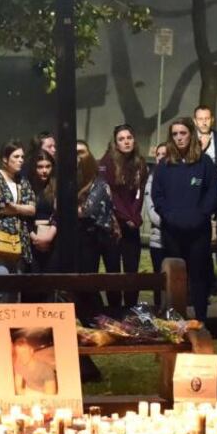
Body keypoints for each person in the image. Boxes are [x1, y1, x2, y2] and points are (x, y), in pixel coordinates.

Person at [151, 117, 217, 322]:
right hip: (172, 232)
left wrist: (201, 215)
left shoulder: (204, 162)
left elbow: (213, 193)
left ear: (191, 134)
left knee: (199, 277)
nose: (179, 138)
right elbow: (158, 196)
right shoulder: (164, 165)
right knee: (175, 278)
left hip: (199, 231)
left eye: (183, 133)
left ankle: (200, 320)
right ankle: (175, 320)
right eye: (175, 134)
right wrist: (171, 218)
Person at [98, 124, 148, 307]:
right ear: (115, 143)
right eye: (121, 139)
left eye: (129, 138)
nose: (126, 142)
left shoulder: (140, 163)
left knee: (132, 270)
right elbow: (111, 195)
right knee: (113, 269)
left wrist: (134, 217)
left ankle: (131, 310)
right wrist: (125, 217)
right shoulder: (107, 163)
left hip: (131, 224)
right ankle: (114, 310)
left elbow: (139, 194)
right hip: (113, 224)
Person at [0, 141, 36, 305]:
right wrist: (21, 208)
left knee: (14, 288)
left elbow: (32, 208)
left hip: (20, 241)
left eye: (22, 157)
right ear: (5, 159)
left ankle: (8, 327)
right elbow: (1, 207)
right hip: (0, 240)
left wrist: (14, 207)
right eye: (16, 156)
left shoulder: (23, 181)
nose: (21, 160)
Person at [78, 141, 118, 306]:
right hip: (86, 237)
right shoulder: (76, 183)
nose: (78, 157)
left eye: (81, 152)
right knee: (88, 280)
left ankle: (115, 315)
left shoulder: (100, 183)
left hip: (103, 236)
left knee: (112, 281)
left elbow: (86, 211)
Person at [143, 143, 168, 306]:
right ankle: (159, 308)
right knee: (158, 277)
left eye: (164, 153)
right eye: (158, 154)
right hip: (157, 238)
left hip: (176, 238)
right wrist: (168, 222)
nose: (161, 157)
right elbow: (151, 208)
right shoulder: (151, 180)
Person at [26, 150, 57, 277]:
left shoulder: (57, 186)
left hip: (53, 238)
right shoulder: (27, 186)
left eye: (48, 166)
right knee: (32, 284)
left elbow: (59, 214)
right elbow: (24, 216)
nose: (44, 170)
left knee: (51, 282)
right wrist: (35, 238)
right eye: (40, 167)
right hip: (31, 239)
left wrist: (49, 237)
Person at [11, 328, 58, 396]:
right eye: (19, 353)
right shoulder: (19, 366)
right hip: (28, 392)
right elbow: (18, 386)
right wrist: (26, 394)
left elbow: (50, 395)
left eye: (24, 352)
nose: (22, 356)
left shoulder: (46, 369)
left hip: (43, 394)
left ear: (31, 351)